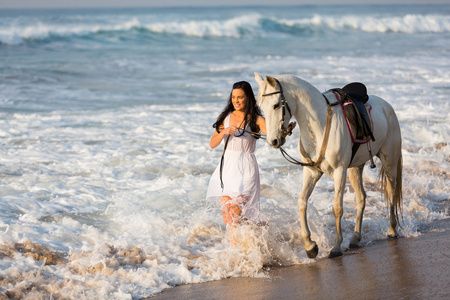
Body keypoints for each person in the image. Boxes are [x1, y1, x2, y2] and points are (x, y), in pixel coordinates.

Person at [206, 81, 266, 246]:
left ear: (248, 98)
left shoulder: (257, 119)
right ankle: (257, 238)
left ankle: (235, 252)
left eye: (240, 97)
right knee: (229, 214)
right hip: (227, 168)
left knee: (234, 212)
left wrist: (286, 130)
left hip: (246, 168)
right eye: (233, 97)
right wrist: (224, 131)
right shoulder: (225, 118)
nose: (236, 100)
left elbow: (274, 137)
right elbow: (212, 143)